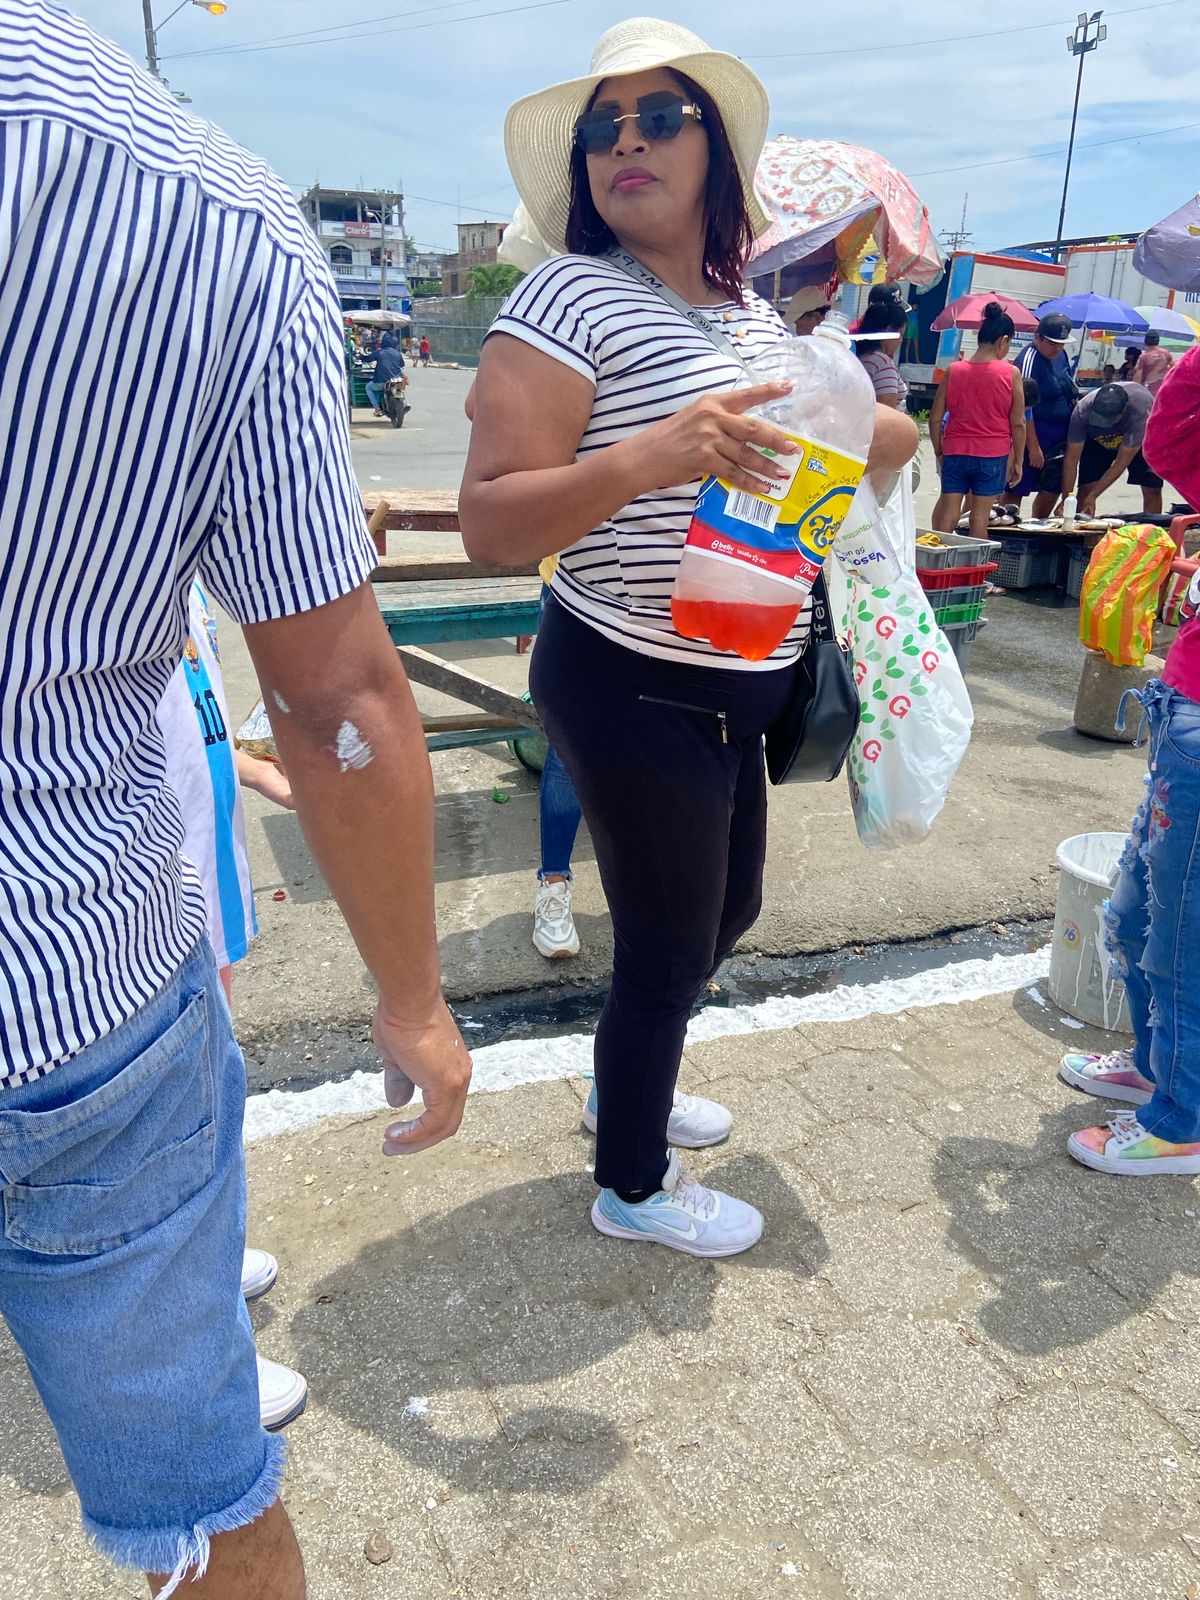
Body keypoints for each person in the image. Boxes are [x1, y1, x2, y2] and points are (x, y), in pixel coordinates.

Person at [0, 8, 470, 1598]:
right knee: (198, 1497)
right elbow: (335, 696)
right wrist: (412, 1001)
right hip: (64, 977)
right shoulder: (200, 203)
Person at [459, 18, 917, 1257]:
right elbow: (491, 522)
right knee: (668, 945)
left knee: (727, 913)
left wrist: (865, 421)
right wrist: (655, 455)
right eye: (603, 130)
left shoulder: (748, 313)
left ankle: (632, 1079)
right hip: (627, 676)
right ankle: (634, 1181)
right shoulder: (569, 294)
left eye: (659, 119)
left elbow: (855, 443)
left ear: (714, 148)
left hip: (743, 673)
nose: (627, 144)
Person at [157, 582, 307, 1433]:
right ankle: (200, 1355)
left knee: (212, 1091)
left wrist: (251, 769)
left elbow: (191, 719)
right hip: (154, 910)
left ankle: (206, 1260)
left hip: (210, 883)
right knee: (173, 1125)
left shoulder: (177, 575)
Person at [1058, 341, 1200, 1174]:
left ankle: (1181, 1119)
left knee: (1180, 938)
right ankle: (1158, 1068)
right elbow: (1173, 440)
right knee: (1136, 917)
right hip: (1181, 708)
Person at [929, 302, 1026, 541]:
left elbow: (935, 418)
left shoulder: (954, 370)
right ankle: (975, 563)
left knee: (949, 512)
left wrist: (940, 450)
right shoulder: (1010, 373)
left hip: (955, 451)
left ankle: (939, 558)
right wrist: (1018, 461)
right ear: (1003, 340)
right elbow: (1018, 423)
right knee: (979, 518)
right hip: (992, 455)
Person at [1060, 379, 1162, 517]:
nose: (1105, 424)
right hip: (1097, 440)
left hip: (1140, 439)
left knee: (1152, 489)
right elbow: (1071, 458)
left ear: (1124, 410)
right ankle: (1079, 525)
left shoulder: (1140, 413)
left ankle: (1153, 525)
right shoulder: (1082, 412)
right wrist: (1066, 499)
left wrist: (1094, 495)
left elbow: (1121, 463)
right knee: (1086, 489)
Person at [854, 301, 909, 409]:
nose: (901, 340)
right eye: (901, 334)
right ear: (889, 331)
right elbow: (886, 411)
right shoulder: (882, 364)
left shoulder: (860, 357)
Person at [365, 330, 405, 415]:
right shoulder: (397, 353)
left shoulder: (379, 352)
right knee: (399, 389)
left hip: (381, 380)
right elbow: (402, 364)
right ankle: (403, 404)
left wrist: (361, 357)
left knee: (368, 387)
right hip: (397, 380)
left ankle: (377, 408)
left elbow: (368, 359)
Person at [1133, 329, 1175, 395]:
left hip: (1147, 390)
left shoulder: (1144, 357)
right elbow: (1175, 368)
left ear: (1146, 341)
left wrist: (1135, 390)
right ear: (1158, 341)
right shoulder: (1165, 353)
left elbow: (1138, 376)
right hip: (1162, 389)